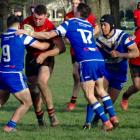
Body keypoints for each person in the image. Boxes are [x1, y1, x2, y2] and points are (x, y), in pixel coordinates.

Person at [19, 3, 120, 131]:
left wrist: (31, 33)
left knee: (89, 95)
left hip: (86, 60)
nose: (73, 9)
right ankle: (113, 117)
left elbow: (49, 35)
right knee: (101, 90)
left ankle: (106, 122)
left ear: (78, 13)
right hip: (98, 57)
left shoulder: (70, 22)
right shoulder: (88, 25)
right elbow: (76, 37)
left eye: (75, 8)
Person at [0, 15, 51, 132]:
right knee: (27, 102)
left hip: (2, 72)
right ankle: (10, 126)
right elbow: (42, 46)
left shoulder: (3, 36)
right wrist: (51, 43)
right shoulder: (21, 35)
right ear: (19, 25)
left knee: (2, 100)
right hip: (13, 74)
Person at [90, 14, 139, 125]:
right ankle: (92, 120)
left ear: (112, 25)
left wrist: (120, 54)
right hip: (105, 70)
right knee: (97, 93)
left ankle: (97, 119)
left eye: (105, 25)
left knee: (110, 102)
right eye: (101, 25)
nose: (102, 27)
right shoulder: (99, 40)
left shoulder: (123, 36)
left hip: (119, 72)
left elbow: (136, 52)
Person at [21, 4, 65, 127]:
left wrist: (45, 54)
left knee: (41, 82)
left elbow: (61, 48)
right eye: (35, 18)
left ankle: (52, 115)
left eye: (40, 19)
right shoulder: (26, 23)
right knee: (34, 91)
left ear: (46, 16)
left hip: (47, 57)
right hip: (30, 58)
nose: (37, 21)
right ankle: (40, 118)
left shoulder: (50, 26)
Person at [64, 0, 99, 111]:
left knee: (86, 77)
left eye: (77, 3)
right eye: (73, 3)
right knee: (76, 75)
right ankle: (81, 99)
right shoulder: (68, 16)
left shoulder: (89, 16)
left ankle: (87, 99)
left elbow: (97, 27)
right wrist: (68, 40)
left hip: (87, 52)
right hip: (75, 51)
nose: (75, 6)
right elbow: (65, 34)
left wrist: (86, 37)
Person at [121, 2, 140, 111]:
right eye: (137, 17)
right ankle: (125, 96)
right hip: (135, 62)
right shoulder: (136, 34)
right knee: (137, 86)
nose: (137, 19)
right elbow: (129, 48)